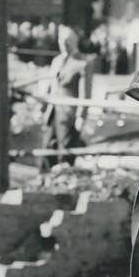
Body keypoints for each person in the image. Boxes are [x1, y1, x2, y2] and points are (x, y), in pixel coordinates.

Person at [39, 26, 93, 170]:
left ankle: (64, 178)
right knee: (47, 149)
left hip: (69, 115)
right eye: (61, 41)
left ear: (74, 42)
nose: (63, 45)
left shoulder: (83, 63)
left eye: (67, 42)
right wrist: (42, 109)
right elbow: (50, 86)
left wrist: (81, 116)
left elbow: (85, 93)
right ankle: (46, 178)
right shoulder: (56, 61)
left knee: (66, 152)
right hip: (52, 113)